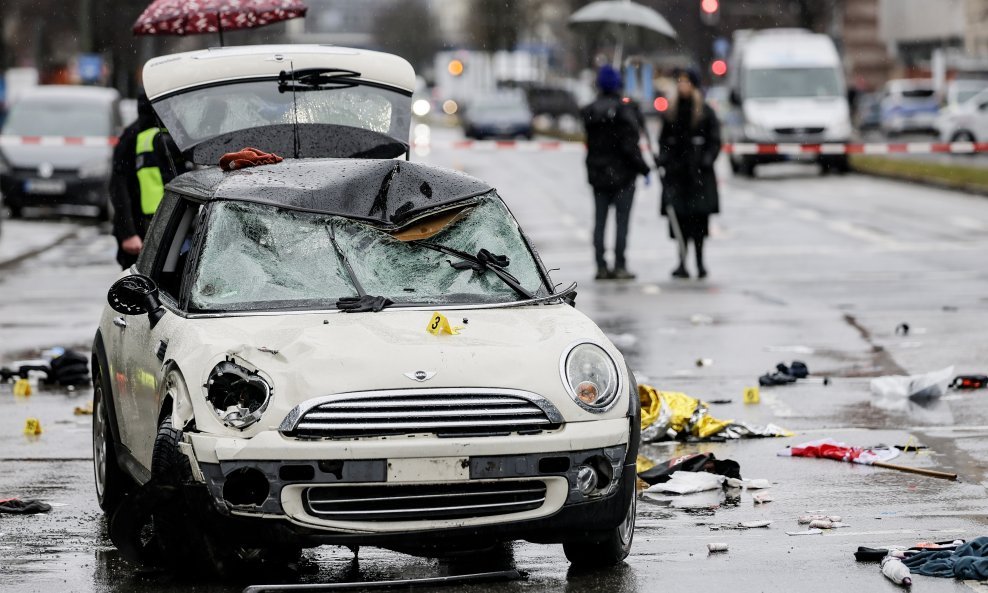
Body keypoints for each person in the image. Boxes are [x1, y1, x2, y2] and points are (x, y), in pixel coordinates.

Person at [581, 64, 651, 281]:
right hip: (623, 177)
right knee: (622, 222)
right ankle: (620, 265)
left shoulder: (591, 111)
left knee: (600, 222)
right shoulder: (624, 111)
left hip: (598, 175)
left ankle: (601, 265)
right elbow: (630, 146)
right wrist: (644, 168)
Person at [656, 67, 721, 279]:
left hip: (699, 176)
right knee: (680, 222)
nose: (683, 86)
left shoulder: (704, 112)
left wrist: (706, 159)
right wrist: (664, 159)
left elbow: (714, 141)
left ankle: (700, 262)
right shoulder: (672, 112)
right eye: (680, 82)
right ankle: (682, 262)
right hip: (677, 176)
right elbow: (664, 141)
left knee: (699, 222)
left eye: (686, 82)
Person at [110, 93, 185, 269]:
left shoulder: (175, 132)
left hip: (165, 227)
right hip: (141, 230)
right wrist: (128, 233)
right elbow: (118, 185)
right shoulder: (133, 137)